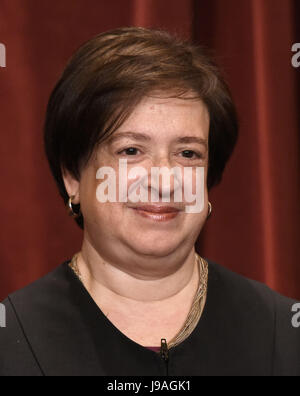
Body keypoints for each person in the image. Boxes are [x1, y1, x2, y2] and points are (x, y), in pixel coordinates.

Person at [1, 26, 299, 377]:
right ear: (73, 176)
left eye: (188, 153)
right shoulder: (12, 339)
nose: (164, 181)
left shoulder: (284, 333)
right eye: (131, 151)